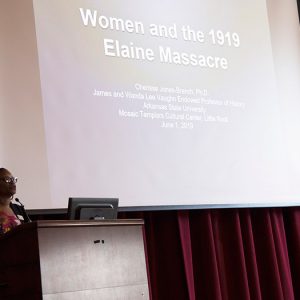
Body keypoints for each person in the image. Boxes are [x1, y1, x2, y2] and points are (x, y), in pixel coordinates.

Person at [0, 167, 30, 235]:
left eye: (13, 179)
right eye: (7, 179)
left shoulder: (19, 209)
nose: (12, 182)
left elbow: (29, 233)